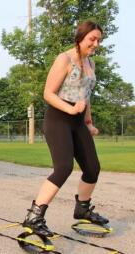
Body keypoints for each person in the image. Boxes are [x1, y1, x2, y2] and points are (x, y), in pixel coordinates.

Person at [22, 21, 108, 237]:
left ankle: (82, 208)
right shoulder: (64, 59)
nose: (96, 43)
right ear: (80, 37)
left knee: (92, 167)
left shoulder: (91, 64)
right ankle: (34, 217)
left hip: (78, 121)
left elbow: (86, 96)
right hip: (58, 118)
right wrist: (70, 111)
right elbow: (48, 93)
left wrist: (88, 122)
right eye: (92, 39)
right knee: (63, 168)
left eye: (99, 39)